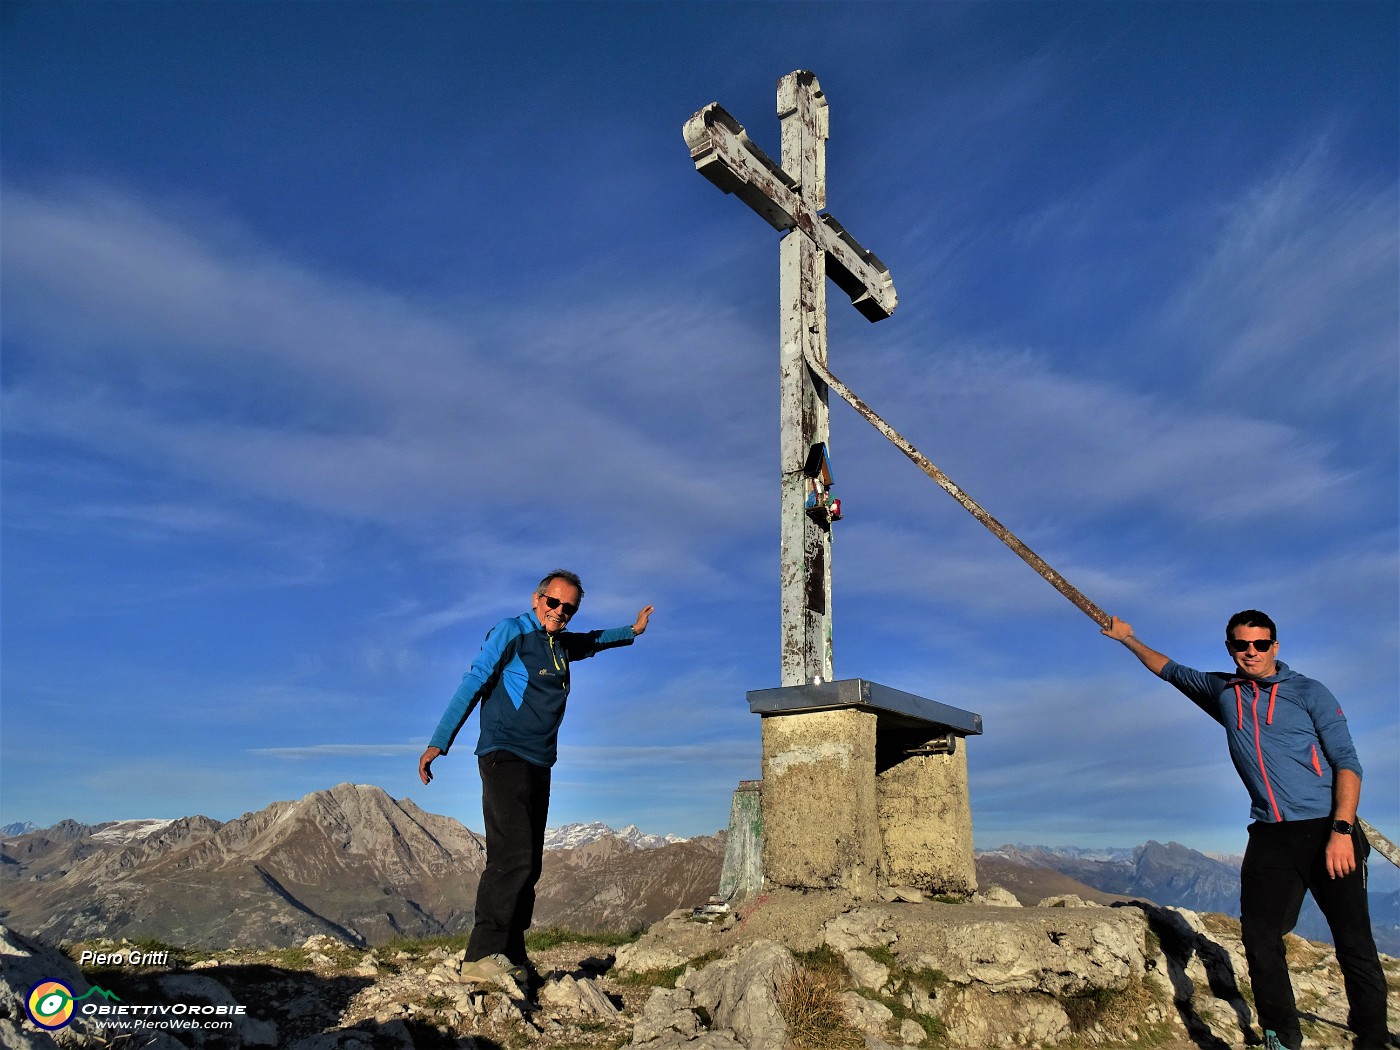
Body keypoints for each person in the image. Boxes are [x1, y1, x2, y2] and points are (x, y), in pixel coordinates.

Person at [1102, 610, 1390, 1050]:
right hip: (1270, 834)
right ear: (1230, 648)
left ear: (1275, 646)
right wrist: (1128, 638)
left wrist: (1342, 829)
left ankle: (1371, 1038)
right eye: (1241, 645)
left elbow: (1348, 763)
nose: (1251, 652)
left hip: (1327, 829)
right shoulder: (1224, 690)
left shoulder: (1310, 692)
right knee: (1259, 938)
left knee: (1353, 942)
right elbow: (1170, 670)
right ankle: (1281, 1037)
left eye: (1260, 644)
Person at [419, 570, 654, 984]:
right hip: (503, 753)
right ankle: (480, 956)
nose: (560, 612)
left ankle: (511, 950)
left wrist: (632, 631)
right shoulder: (513, 632)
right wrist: (440, 741)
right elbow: (473, 681)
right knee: (511, 857)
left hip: (539, 761)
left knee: (530, 862)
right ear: (537, 598)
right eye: (554, 603)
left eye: (569, 608)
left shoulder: (561, 644)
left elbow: (594, 640)